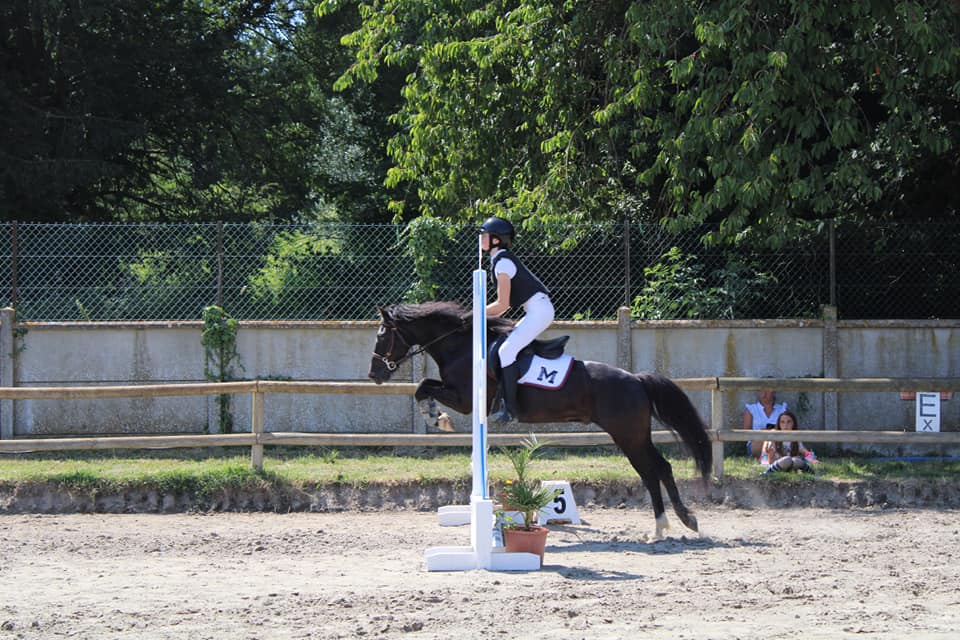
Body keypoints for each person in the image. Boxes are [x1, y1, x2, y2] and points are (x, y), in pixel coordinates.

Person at [480, 216, 554, 425]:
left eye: (485, 235)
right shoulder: (499, 260)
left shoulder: (503, 263)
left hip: (539, 311)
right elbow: (502, 307)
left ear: (496, 240)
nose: (481, 239)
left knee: (506, 351)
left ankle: (511, 409)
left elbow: (502, 304)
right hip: (535, 310)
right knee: (503, 347)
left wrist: (474, 314)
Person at [743, 389, 787, 459]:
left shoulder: (781, 409)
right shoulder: (751, 409)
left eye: (767, 390)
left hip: (777, 441)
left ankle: (808, 457)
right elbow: (745, 433)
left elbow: (787, 429)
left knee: (795, 443)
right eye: (761, 390)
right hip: (756, 443)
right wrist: (762, 432)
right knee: (767, 438)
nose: (764, 394)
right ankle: (767, 458)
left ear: (773, 392)